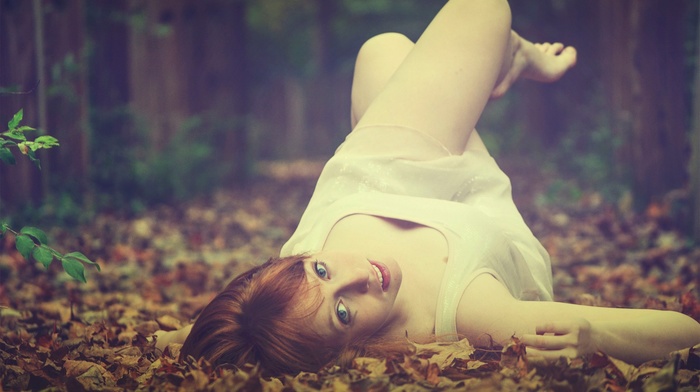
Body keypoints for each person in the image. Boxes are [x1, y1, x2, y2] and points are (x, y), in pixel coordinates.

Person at [156, 0, 700, 376]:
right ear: (343, 355)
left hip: (380, 171)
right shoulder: (471, 315)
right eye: (343, 313)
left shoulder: (283, 298)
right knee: (484, 9)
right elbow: (683, 331)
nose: (359, 275)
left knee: (383, 49)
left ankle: (500, 63)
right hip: (469, 207)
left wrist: (195, 336)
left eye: (320, 269)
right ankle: (508, 56)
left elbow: (253, 325)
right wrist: (591, 335)